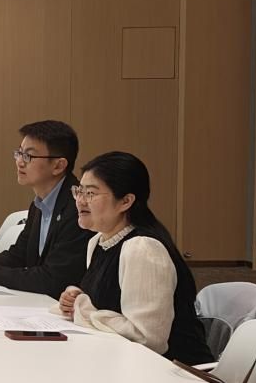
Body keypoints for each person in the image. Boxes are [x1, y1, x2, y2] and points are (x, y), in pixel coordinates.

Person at [56, 152, 213, 364]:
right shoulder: (98, 242)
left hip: (173, 370)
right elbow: (110, 301)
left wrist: (83, 308)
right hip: (120, 361)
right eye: (79, 191)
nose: (80, 201)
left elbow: (147, 338)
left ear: (126, 201)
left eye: (91, 193)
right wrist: (77, 297)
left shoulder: (143, 248)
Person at [0, 119, 90, 298]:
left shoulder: (78, 207)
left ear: (58, 165)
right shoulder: (40, 203)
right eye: (19, 153)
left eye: (28, 156)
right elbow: (20, 254)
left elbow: (53, 279)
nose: (19, 162)